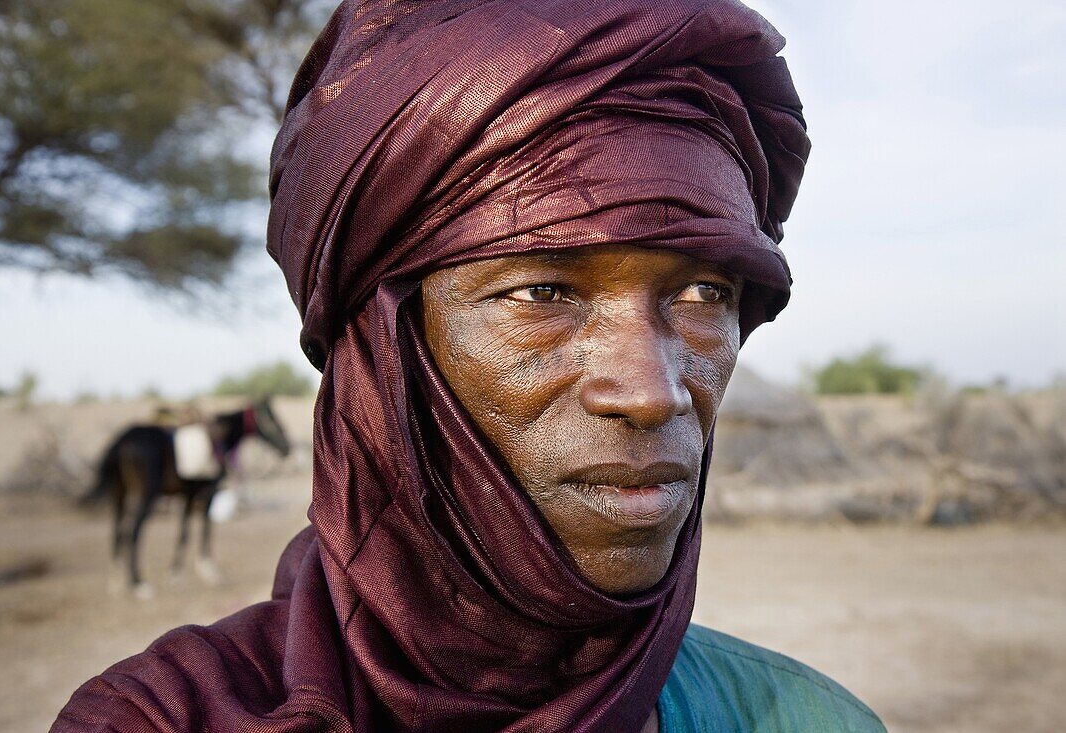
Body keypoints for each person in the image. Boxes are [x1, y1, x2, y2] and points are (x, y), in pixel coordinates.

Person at [53, 0, 886, 730]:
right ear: (383, 356)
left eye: (705, 292)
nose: (652, 391)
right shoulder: (160, 720)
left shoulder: (810, 719)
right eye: (540, 293)